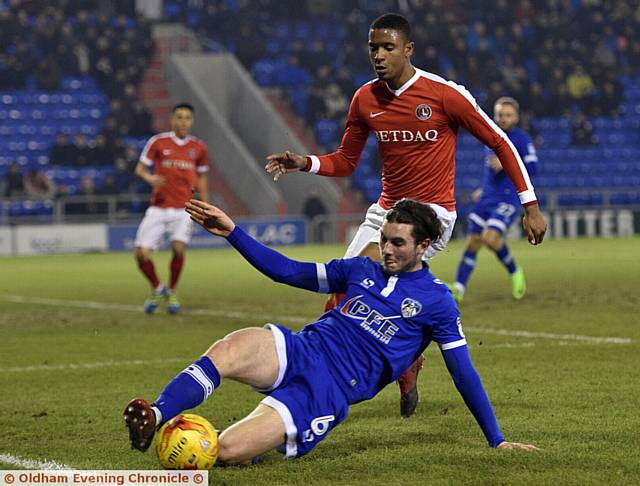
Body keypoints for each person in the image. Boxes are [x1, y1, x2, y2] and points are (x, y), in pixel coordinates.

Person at [264, 13, 547, 417]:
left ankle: (320, 394)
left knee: (370, 284)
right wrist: (304, 162)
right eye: (373, 48)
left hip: (431, 214)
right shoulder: (365, 98)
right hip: (386, 211)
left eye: (388, 48)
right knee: (338, 298)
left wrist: (530, 205)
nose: (379, 55)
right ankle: (404, 365)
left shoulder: (445, 95)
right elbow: (345, 161)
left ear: (408, 49)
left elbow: (500, 142)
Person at [123, 198, 539, 465]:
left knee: (226, 450)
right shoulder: (358, 269)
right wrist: (233, 231)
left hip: (327, 391)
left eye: (397, 243)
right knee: (230, 348)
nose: (387, 249)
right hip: (302, 349)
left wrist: (497, 439)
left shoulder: (438, 301)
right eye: (384, 239)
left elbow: (463, 373)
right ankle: (156, 415)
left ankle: (234, 441)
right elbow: (287, 271)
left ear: (424, 246)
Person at [451, 97, 538, 303]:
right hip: (487, 197)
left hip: (507, 199)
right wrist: (483, 189)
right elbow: (491, 170)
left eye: (508, 115)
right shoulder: (490, 135)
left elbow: (533, 169)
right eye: (500, 115)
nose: (504, 119)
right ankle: (459, 288)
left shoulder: (522, 139)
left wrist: (507, 164)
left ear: (516, 117)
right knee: (472, 242)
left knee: (491, 238)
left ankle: (515, 271)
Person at [133, 103, 209, 314]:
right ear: (172, 119)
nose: (183, 121)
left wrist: (205, 202)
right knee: (141, 254)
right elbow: (139, 169)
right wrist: (149, 178)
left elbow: (202, 176)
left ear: (192, 121)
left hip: (184, 208)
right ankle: (158, 288)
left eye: (187, 118)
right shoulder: (158, 142)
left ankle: (172, 291)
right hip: (158, 207)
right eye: (179, 117)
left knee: (178, 248)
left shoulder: (199, 147)